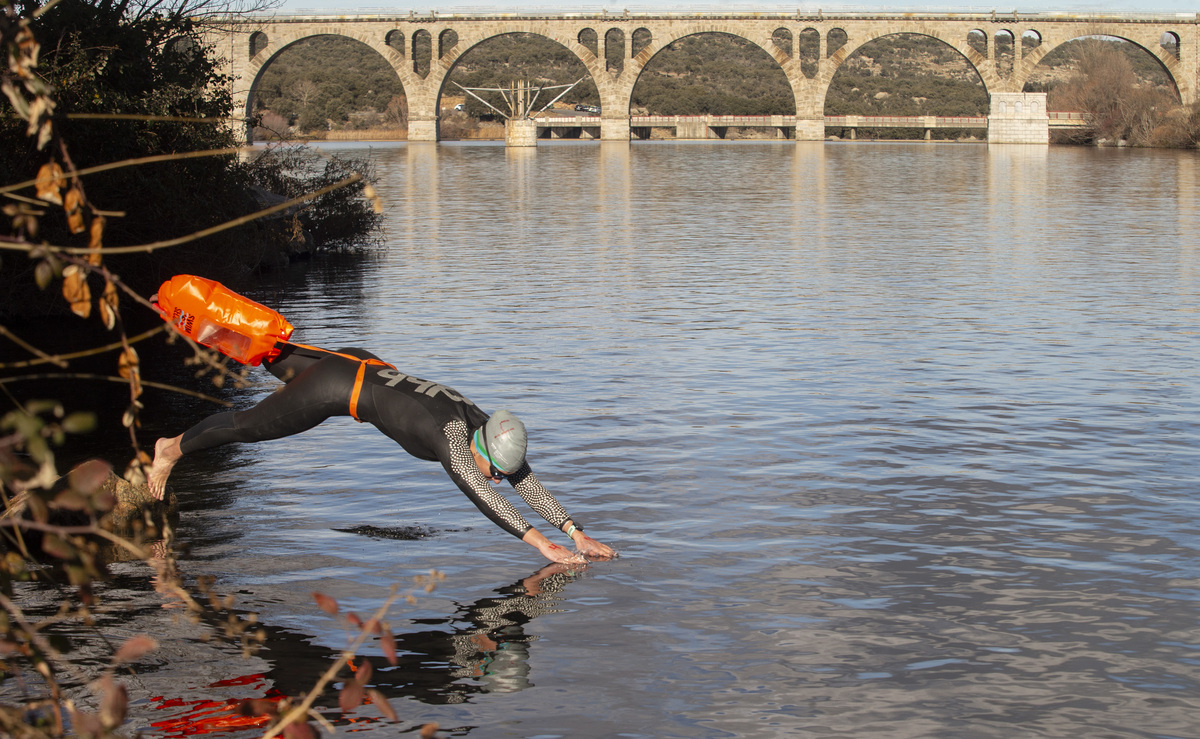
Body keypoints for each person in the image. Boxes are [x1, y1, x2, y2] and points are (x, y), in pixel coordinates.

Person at [147, 343, 614, 565]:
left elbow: (521, 480)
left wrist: (576, 532)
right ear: (481, 448)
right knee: (250, 426)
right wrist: (542, 545)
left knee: (263, 355)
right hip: (337, 387)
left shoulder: (485, 423)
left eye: (499, 473)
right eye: (494, 470)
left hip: (360, 362)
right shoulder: (452, 438)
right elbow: (486, 498)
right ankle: (170, 449)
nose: (495, 478)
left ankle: (219, 334)